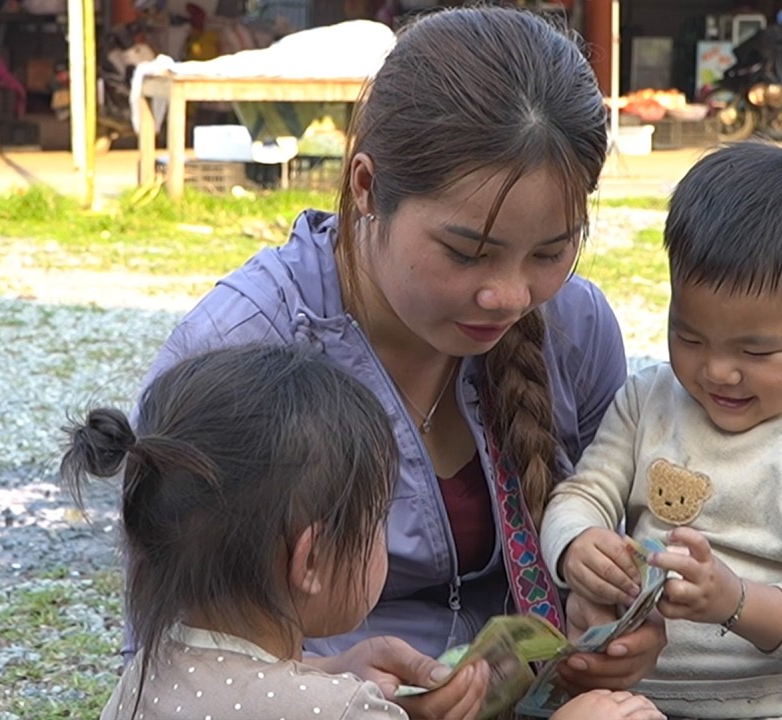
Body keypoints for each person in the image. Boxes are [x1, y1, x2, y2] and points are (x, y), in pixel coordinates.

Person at [131, 6, 665, 718]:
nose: (510, 294)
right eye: (467, 251)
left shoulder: (576, 325)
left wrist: (614, 615)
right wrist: (325, 682)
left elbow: (620, 531)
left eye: (550, 252)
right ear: (365, 187)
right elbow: (176, 659)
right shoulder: (239, 355)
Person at [65, 345, 663, 720]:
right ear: (312, 558)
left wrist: (334, 669)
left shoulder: (150, 669)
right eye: (378, 517)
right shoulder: (340, 711)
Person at [540, 142, 782, 719]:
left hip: (767, 706)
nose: (718, 371)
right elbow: (585, 492)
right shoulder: (648, 399)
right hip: (628, 698)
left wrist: (735, 601)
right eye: (690, 337)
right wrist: (576, 543)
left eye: (756, 350)